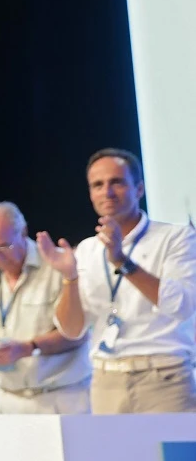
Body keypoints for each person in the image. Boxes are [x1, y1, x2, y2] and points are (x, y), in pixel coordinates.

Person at [38, 148, 196, 413]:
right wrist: (70, 277)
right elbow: (72, 329)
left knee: (172, 456)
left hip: (164, 377)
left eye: (117, 182)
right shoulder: (87, 250)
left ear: (139, 189)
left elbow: (182, 305)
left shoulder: (175, 238)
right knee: (112, 456)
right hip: (106, 380)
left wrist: (122, 261)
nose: (107, 192)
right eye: (97, 185)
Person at [0, 203, 90, 414]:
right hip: (8, 400)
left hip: (64, 397)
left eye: (4, 246)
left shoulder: (58, 265)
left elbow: (80, 333)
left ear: (24, 232)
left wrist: (29, 347)